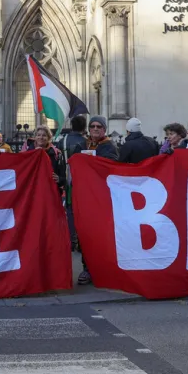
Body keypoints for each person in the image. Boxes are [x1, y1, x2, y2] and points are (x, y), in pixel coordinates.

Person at [78, 115, 119, 286]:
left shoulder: (109, 146)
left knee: (103, 234)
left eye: (99, 126)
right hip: (85, 196)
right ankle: (87, 268)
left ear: (104, 129)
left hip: (102, 197)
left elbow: (113, 166)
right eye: (92, 126)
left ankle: (103, 269)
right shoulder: (83, 145)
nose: (95, 129)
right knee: (86, 234)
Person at [31, 125, 67, 199]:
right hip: (33, 193)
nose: (41, 137)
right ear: (35, 137)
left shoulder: (56, 154)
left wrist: (59, 179)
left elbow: (63, 177)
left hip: (50, 194)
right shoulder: (28, 152)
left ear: (49, 138)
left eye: (44, 135)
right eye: (38, 135)